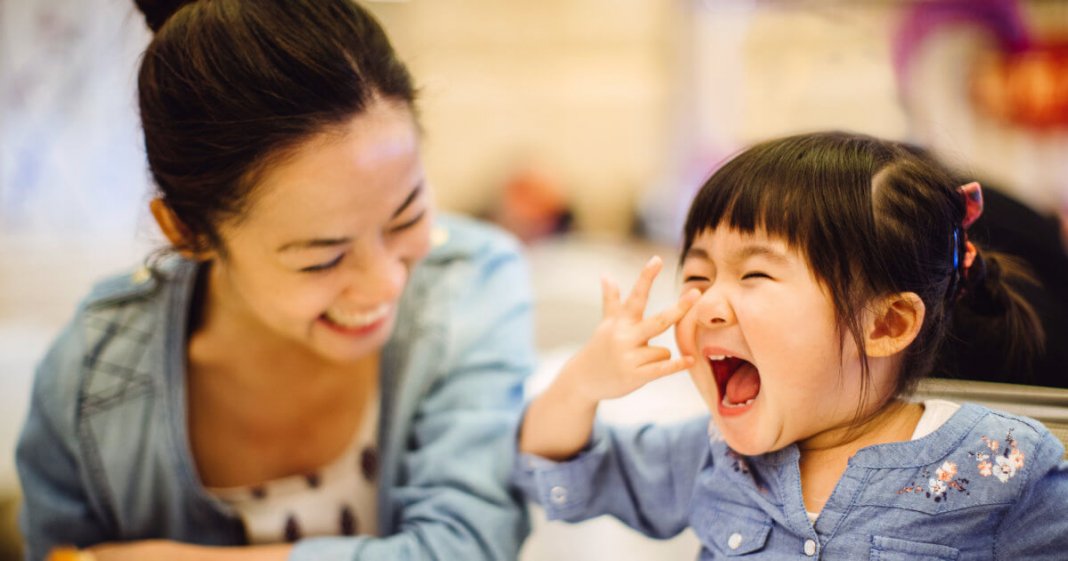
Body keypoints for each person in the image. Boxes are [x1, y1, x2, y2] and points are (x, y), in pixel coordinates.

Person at [16, 1, 534, 560]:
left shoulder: (471, 287)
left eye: (406, 217)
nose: (385, 284)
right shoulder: (91, 376)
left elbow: (469, 547)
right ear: (188, 231)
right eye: (322, 259)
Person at [514, 131, 1068, 559]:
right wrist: (583, 382)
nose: (707, 305)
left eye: (755, 276)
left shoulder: (1002, 464)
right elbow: (553, 467)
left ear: (887, 325)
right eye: (698, 277)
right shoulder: (712, 456)